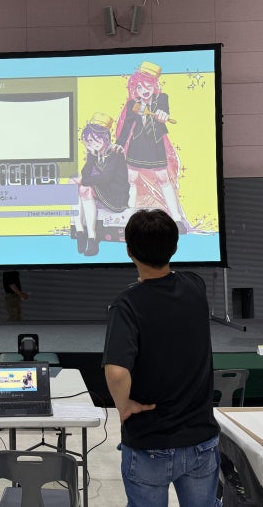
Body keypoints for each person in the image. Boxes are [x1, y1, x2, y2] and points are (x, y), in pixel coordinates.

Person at [102, 209, 221, 507]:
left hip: (149, 441)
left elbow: (117, 372)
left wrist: (124, 405)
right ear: (175, 247)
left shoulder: (127, 305)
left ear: (129, 251)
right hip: (200, 439)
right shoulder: (196, 287)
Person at [115, 61, 189, 234]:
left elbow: (164, 110)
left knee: (164, 179)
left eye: (148, 86)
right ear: (135, 89)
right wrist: (119, 144)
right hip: (136, 145)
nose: (144, 90)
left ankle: (177, 219)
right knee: (131, 179)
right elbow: (127, 127)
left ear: (154, 86)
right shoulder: (132, 105)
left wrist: (163, 114)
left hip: (155, 145)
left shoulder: (161, 99)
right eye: (139, 87)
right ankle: (128, 220)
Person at [75, 112, 130, 257]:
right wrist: (91, 156)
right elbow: (85, 173)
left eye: (97, 138)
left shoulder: (115, 152)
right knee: (74, 183)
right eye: (89, 140)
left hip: (116, 196)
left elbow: (106, 179)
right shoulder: (94, 153)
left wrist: (84, 181)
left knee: (84, 189)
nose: (93, 143)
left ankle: (92, 238)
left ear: (105, 137)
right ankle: (80, 231)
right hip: (104, 190)